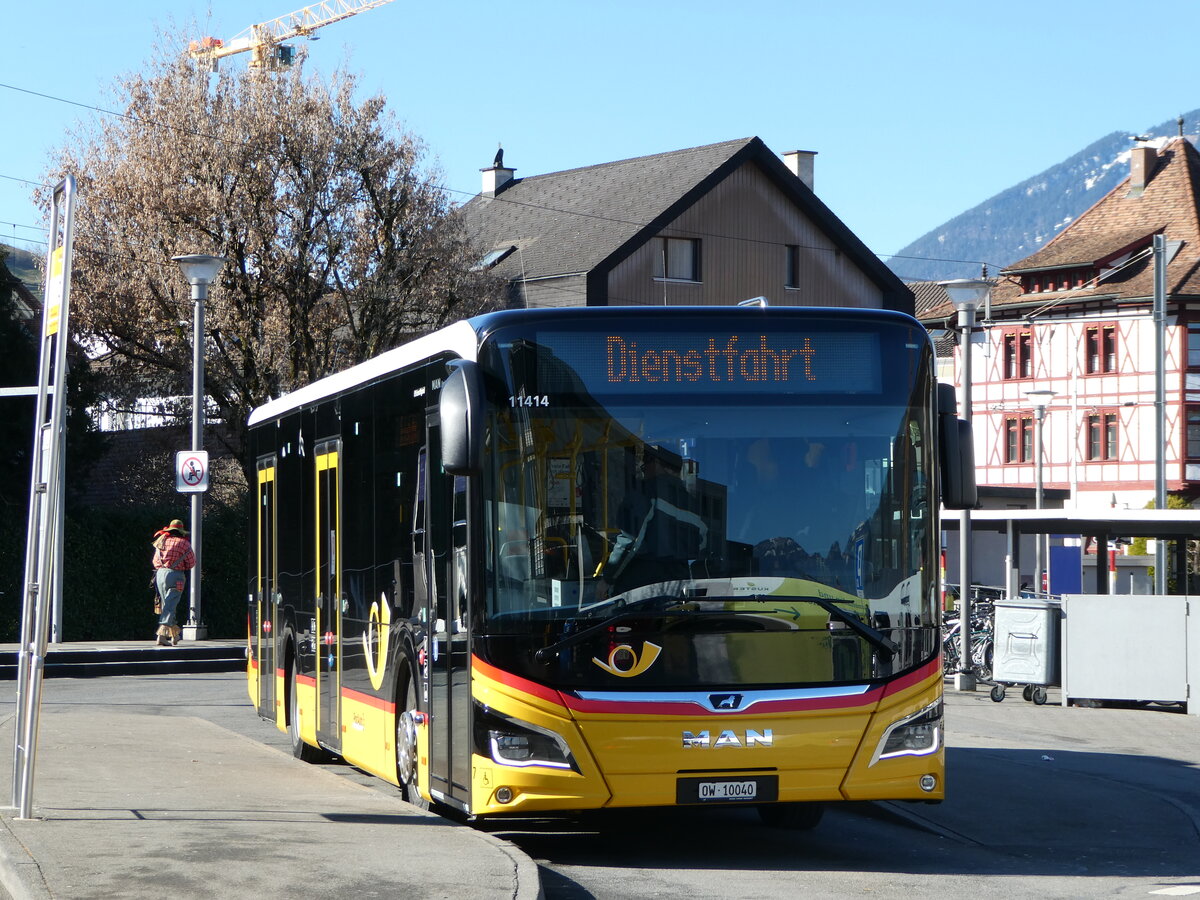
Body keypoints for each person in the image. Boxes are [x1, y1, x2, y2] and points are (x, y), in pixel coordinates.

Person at [598, 447, 707, 598]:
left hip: (642, 589)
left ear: (655, 462)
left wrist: (608, 578)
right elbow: (701, 543)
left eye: (644, 466)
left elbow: (630, 540)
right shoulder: (693, 504)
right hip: (678, 587)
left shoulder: (646, 491)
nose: (644, 472)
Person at [151, 518, 195, 646]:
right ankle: (161, 635)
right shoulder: (184, 543)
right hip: (176, 576)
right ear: (181, 531)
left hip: (160, 574)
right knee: (170, 605)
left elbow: (155, 561)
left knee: (168, 604)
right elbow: (191, 563)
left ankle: (175, 635)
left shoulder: (161, 540)